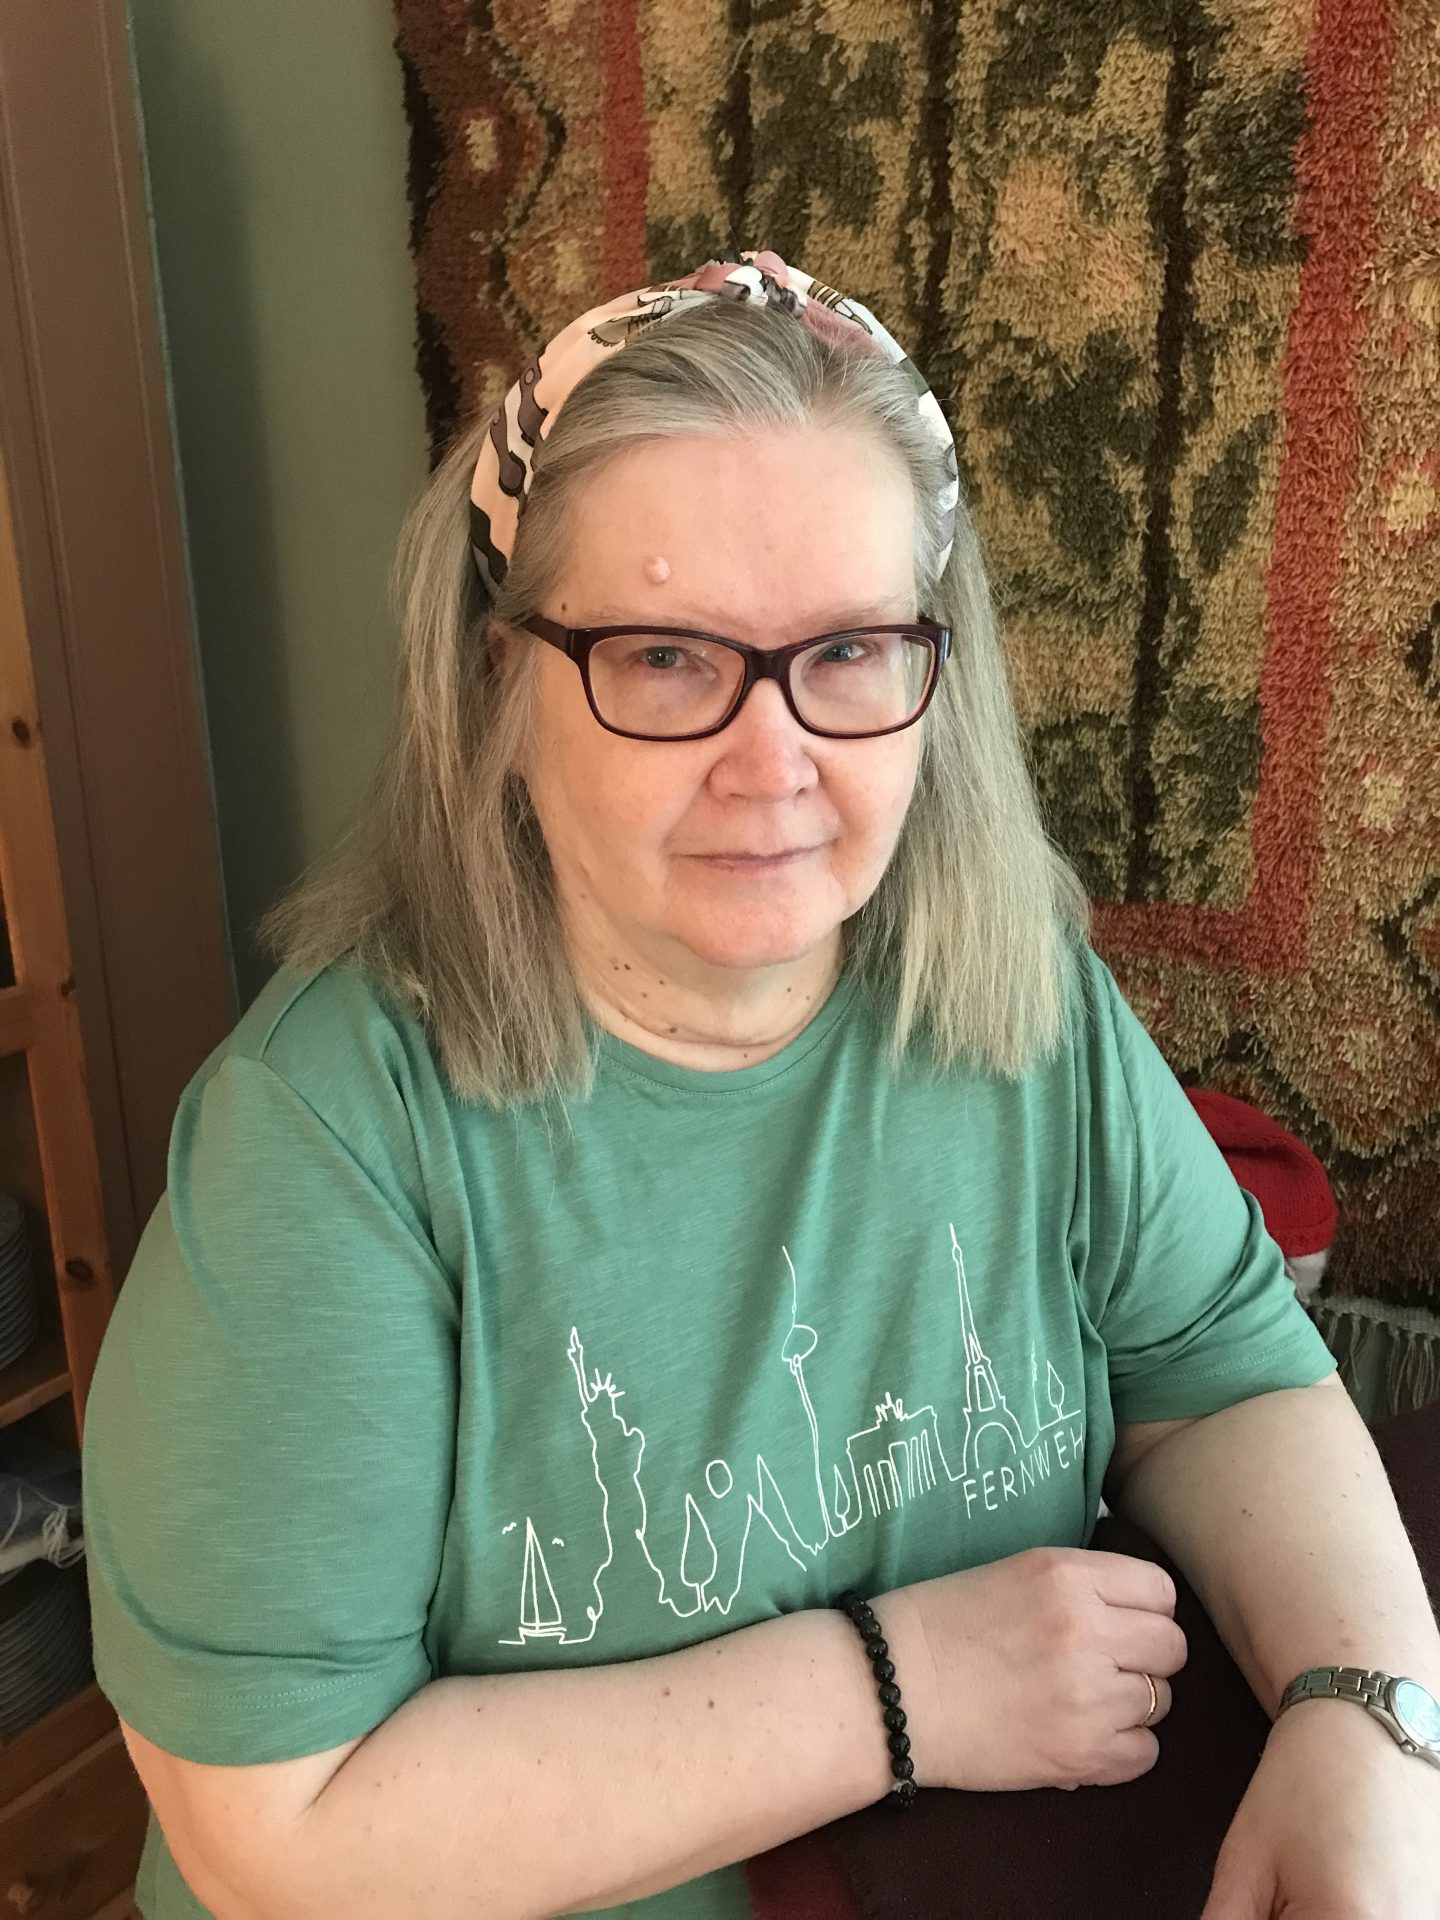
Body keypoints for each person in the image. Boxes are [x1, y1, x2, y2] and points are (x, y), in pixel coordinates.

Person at [82, 250, 1440, 1920]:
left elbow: (1224, 1381)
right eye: (666, 656)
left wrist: (1371, 1719)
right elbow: (279, 1829)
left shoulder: (1019, 997)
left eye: (851, 648)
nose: (774, 761)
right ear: (503, 684)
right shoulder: (324, 1140)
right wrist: (901, 1687)